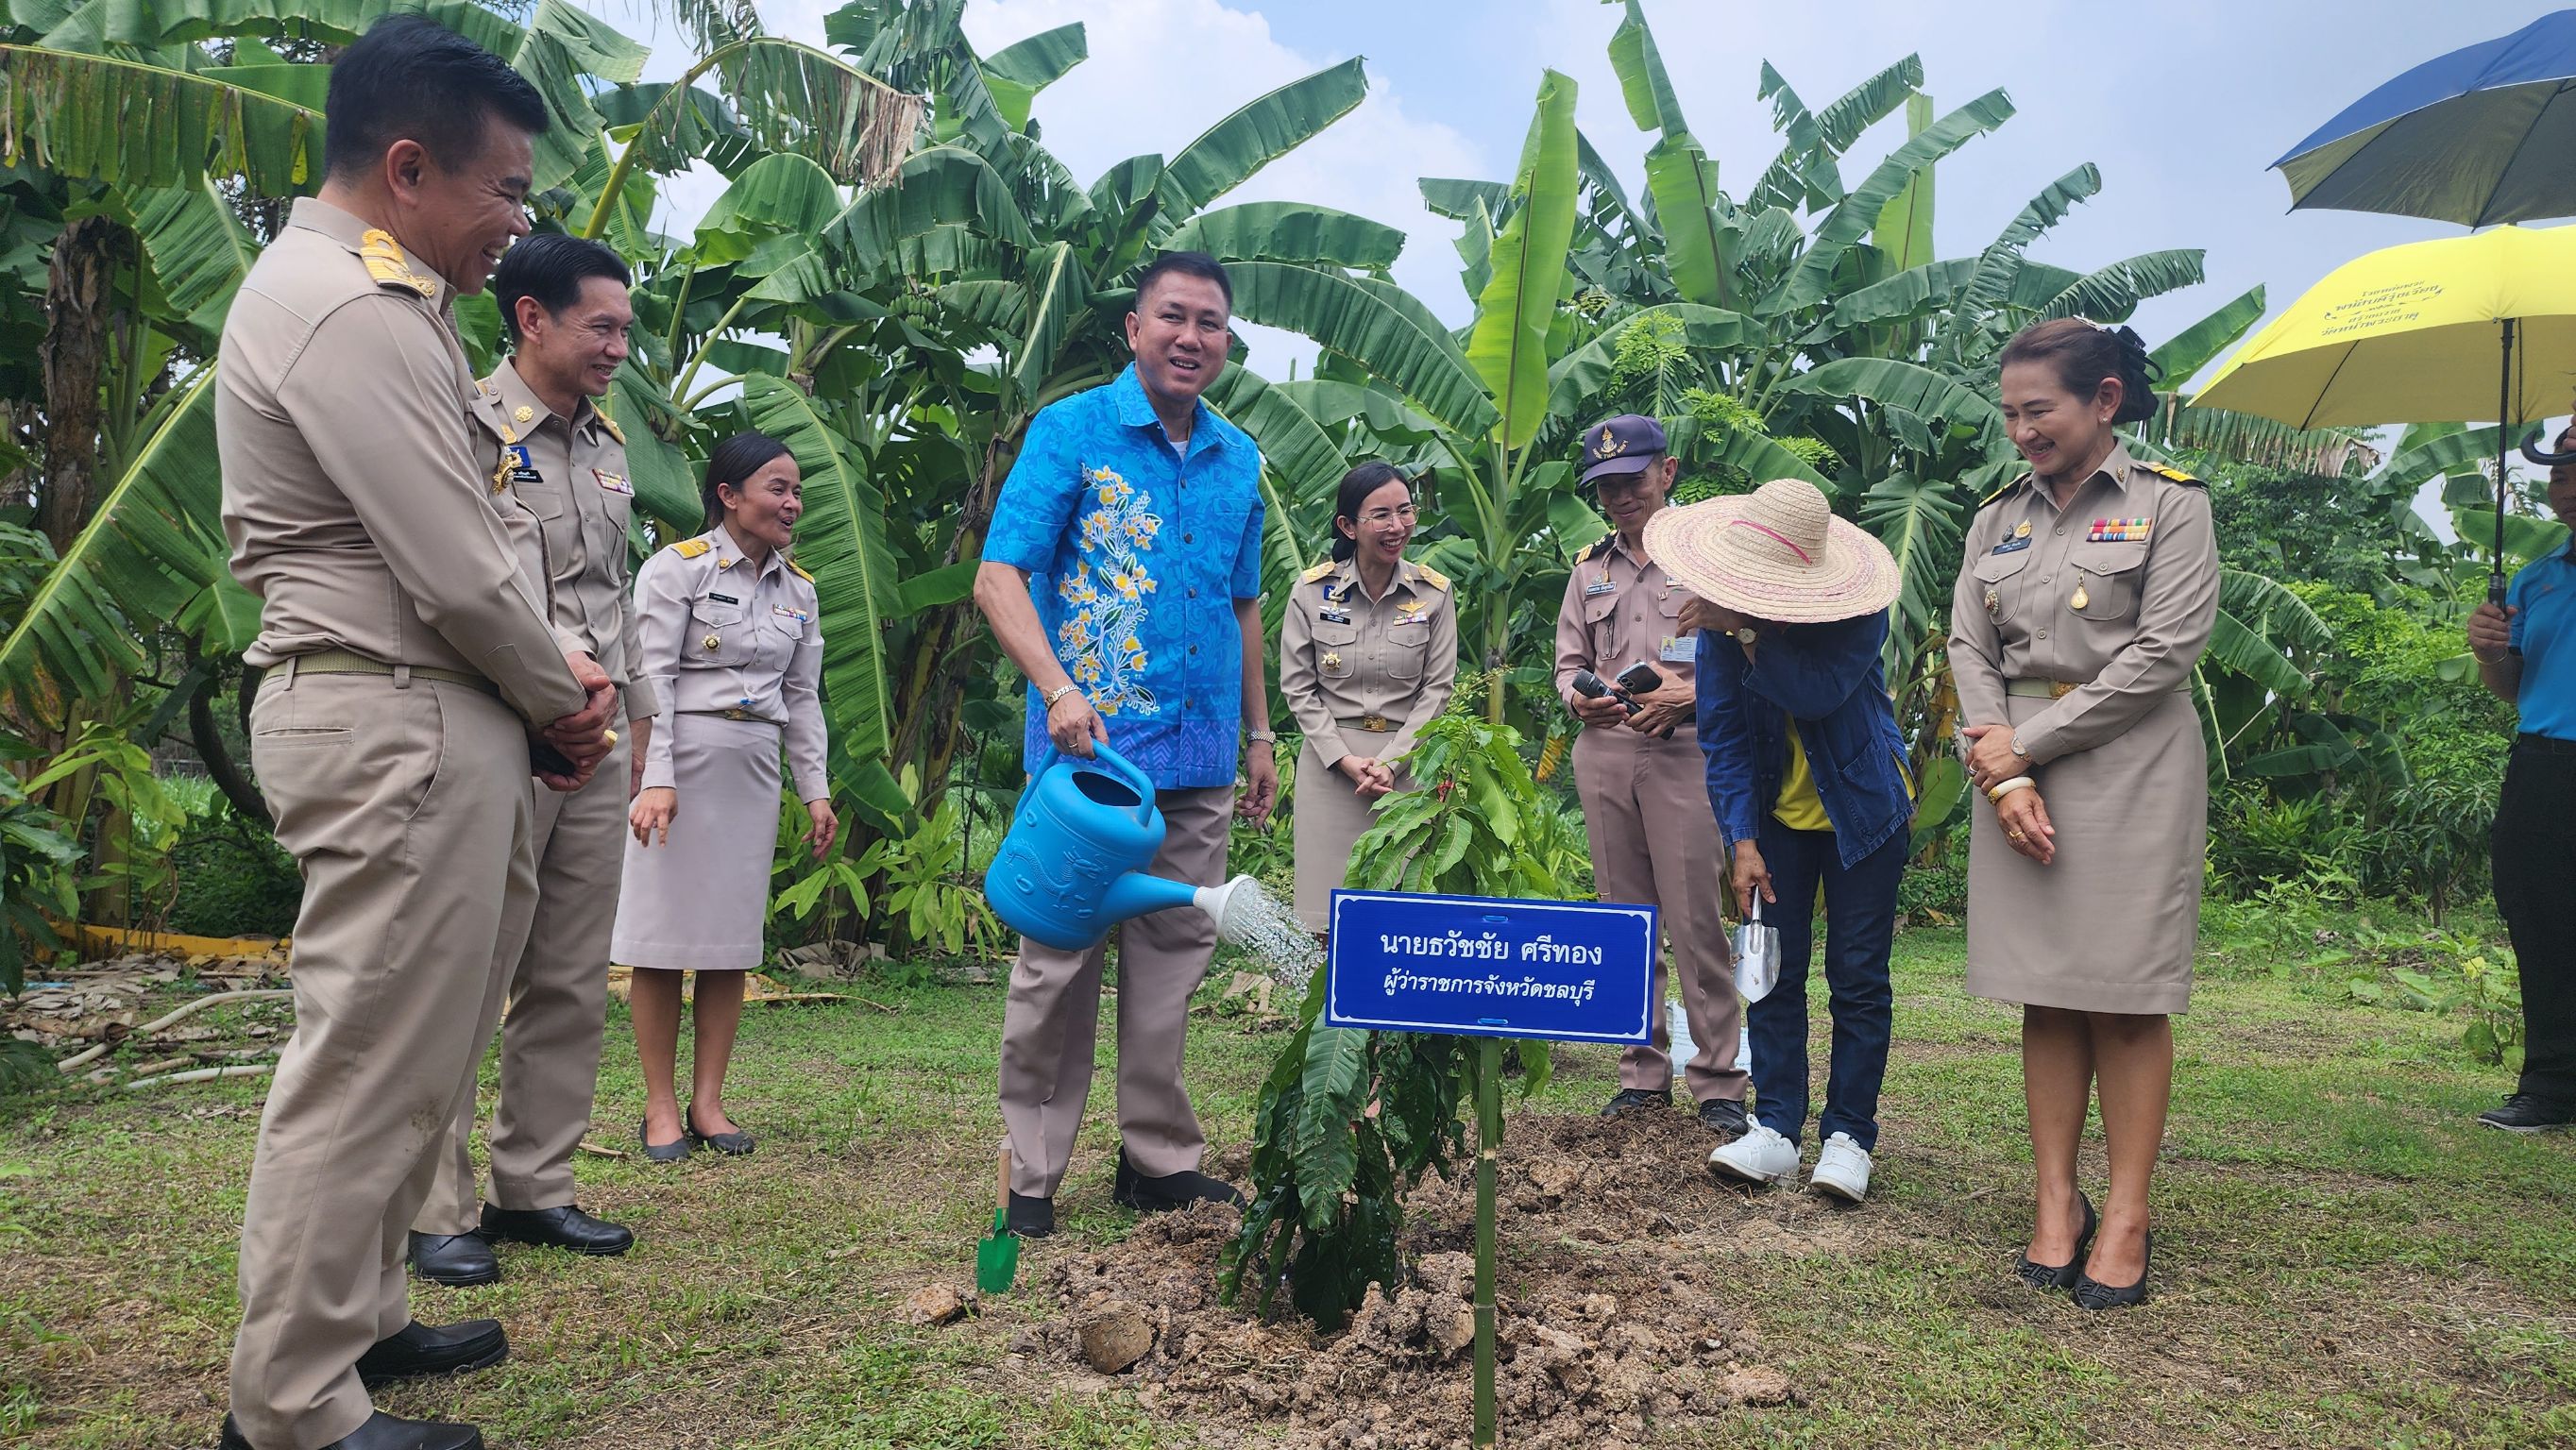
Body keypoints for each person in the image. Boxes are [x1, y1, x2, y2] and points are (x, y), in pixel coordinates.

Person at [214, 16, 617, 1450]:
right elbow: (452, 565)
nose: (518, 223)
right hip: (394, 711)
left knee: (421, 1055)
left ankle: (364, 1316)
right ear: (405, 168)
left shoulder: (378, 297)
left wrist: (545, 674)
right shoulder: (349, 306)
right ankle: (294, 1403)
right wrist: (565, 698)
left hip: (431, 710)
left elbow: (474, 544)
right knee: (372, 1059)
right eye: (505, 190)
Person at [972, 250, 1278, 1239]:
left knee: (1174, 961)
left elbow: (1243, 607)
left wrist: (1262, 734)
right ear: (1134, 329)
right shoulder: (1072, 431)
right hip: (1090, 764)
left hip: (1198, 760)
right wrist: (1056, 688)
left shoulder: (1240, 459)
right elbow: (999, 579)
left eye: (1212, 325)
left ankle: (1157, 1160)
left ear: (1226, 344)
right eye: (1174, 318)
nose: (1192, 338)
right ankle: (1033, 1174)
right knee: (1057, 965)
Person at [1949, 318, 2216, 1310]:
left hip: (2131, 760)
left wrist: (2029, 747)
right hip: (2011, 763)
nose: (2020, 431)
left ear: (2104, 401)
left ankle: (2130, 1212)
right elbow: (1969, 647)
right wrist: (2003, 766)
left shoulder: (2169, 508)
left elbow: (2164, 651)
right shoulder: (1994, 519)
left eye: (2040, 411)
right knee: (2048, 988)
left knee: (2125, 991)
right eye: (2009, 412)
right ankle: (2056, 1203)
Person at [408, 234, 654, 1287]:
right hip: (502, 730)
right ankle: (433, 1207)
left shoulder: (607, 442)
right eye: (601, 325)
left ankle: (535, 1187)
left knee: (569, 974)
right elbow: (456, 586)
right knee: (470, 972)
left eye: (627, 330)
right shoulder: (463, 426)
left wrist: (639, 730)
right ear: (531, 319)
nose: (617, 347)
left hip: (598, 744)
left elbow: (617, 600)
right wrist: (550, 701)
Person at [1654, 480, 1912, 1202]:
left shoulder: (1860, 613)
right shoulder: (1719, 627)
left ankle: (1849, 1135)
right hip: (1775, 821)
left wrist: (1743, 631)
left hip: (1864, 814)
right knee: (1770, 969)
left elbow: (1816, 693)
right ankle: (1774, 1127)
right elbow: (1726, 737)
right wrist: (1742, 838)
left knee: (1858, 978)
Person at [612, 432, 837, 1160]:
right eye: (777, 487)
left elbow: (802, 699)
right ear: (729, 495)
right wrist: (658, 777)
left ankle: (709, 1103)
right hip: (680, 763)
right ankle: (659, 1108)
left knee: (726, 944)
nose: (793, 503)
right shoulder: (677, 572)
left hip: (750, 768)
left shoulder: (798, 591)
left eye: (797, 490)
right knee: (660, 939)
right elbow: (654, 683)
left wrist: (816, 793)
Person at [1553, 414, 1749, 1137]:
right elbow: (1568, 661)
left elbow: (1750, 652)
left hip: (1689, 755)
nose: (1619, 497)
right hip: (1605, 753)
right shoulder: (1588, 568)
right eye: (1605, 486)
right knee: (1622, 920)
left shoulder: (1712, 560)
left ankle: (1721, 1080)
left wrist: (1688, 694)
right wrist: (1579, 693)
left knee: (1697, 918)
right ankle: (1641, 1075)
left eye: (1632, 480)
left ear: (1667, 473)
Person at [1279, 463, 1459, 934]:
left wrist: (1391, 763)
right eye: (1380, 515)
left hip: (1406, 771)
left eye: (1405, 511)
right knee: (1327, 920)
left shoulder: (1435, 594)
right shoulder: (1311, 592)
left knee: (1400, 920)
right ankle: (1327, 1010)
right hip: (1330, 772)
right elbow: (1298, 688)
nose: (1397, 526)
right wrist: (1343, 759)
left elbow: (1437, 689)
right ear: (1348, 526)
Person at [2463, 423, 2576, 1132]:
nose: (2565, 486)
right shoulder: (2536, 579)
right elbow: (2511, 687)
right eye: (2560, 471)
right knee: (2540, 920)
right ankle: (2551, 1085)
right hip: (2542, 766)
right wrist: (2489, 652)